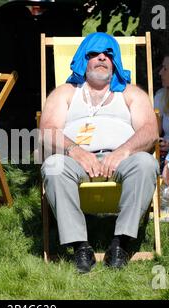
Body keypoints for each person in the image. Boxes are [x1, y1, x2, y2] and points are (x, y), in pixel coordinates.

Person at [40, 32, 159, 273]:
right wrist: (76, 151)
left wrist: (123, 151)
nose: (102, 58)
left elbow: (150, 131)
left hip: (123, 159)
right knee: (53, 166)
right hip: (76, 159)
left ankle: (121, 244)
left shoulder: (130, 93)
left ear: (115, 62)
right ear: (83, 61)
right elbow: (47, 131)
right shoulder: (65, 93)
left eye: (108, 54)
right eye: (94, 54)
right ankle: (80, 247)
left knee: (146, 164)